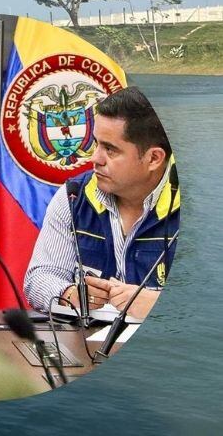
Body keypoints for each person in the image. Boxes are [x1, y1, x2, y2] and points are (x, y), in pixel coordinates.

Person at [24, 87, 178, 319]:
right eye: (96, 144)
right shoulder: (73, 196)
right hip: (88, 339)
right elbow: (39, 277)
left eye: (110, 150)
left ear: (154, 158)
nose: (95, 158)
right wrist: (69, 294)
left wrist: (161, 305)